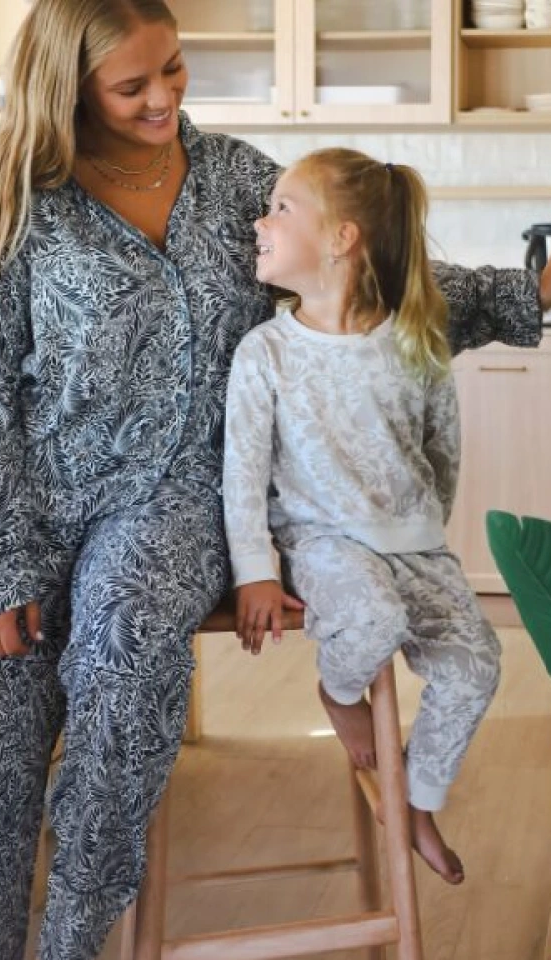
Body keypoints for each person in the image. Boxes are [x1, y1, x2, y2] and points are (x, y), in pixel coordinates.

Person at [0, 0, 551, 960]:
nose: (163, 98)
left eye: (173, 69)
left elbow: (362, 269)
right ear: (68, 90)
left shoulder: (236, 181)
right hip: (31, 511)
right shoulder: (21, 203)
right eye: (132, 85)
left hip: (180, 504)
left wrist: (525, 293)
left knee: (121, 660)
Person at [225, 148, 500, 885]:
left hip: (418, 547)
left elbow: (443, 451)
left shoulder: (415, 341)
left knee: (477, 664)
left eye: (281, 209)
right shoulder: (265, 353)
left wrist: (424, 529)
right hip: (323, 545)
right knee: (374, 620)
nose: (260, 222)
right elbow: (242, 475)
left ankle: (417, 801)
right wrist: (256, 572)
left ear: (341, 238)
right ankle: (337, 693)